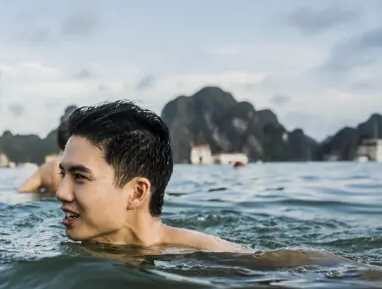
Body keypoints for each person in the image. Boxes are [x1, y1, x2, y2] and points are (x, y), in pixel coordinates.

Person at [56, 100, 252, 254]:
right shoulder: (83, 249)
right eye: (62, 174)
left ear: (137, 192)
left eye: (80, 176)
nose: (60, 192)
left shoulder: (211, 259)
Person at [17, 106, 76, 194]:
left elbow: (22, 191)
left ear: (59, 142)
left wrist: (39, 195)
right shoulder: (91, 164)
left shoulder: (49, 168)